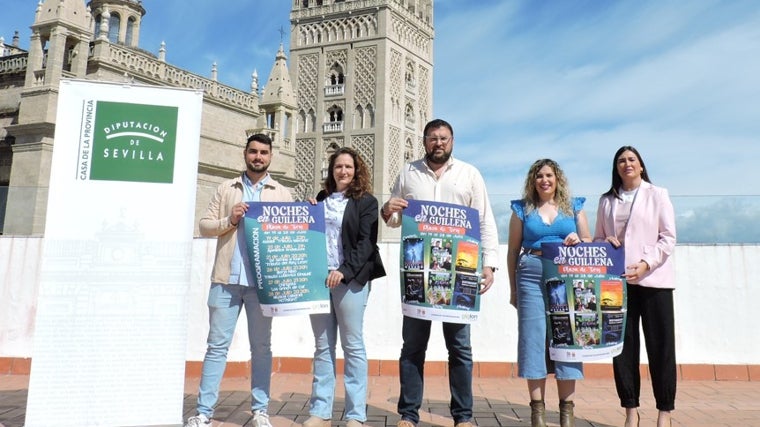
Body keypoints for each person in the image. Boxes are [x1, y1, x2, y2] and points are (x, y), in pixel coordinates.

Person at [381, 118, 499, 427]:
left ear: (452, 141)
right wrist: (387, 209)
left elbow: (484, 221)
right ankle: (408, 414)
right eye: (433, 138)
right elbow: (395, 219)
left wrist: (489, 263)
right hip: (418, 272)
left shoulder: (469, 174)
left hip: (459, 272)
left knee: (460, 348)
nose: (438, 143)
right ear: (424, 141)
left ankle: (463, 416)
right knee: (413, 347)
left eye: (444, 138)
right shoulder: (408, 172)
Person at [185, 133, 293, 427]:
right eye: (254, 152)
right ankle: (204, 412)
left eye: (264, 153)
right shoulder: (226, 189)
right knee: (217, 347)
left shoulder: (281, 193)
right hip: (225, 280)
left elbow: (294, 233)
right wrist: (229, 220)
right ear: (245, 153)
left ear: (271, 157)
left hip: (262, 285)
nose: (258, 157)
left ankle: (260, 411)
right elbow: (205, 225)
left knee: (261, 348)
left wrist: (307, 212)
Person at [303, 147, 386, 427]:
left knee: (352, 346)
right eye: (338, 166)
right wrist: (306, 211)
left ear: (356, 170)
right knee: (323, 347)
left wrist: (343, 271)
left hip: (350, 280)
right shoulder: (322, 199)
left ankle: (355, 414)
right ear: (332, 170)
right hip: (320, 278)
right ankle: (320, 411)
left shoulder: (367, 202)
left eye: (348, 167)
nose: (343, 171)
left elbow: (366, 243)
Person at [593, 146, 676, 427]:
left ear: (641, 165)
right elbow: (599, 238)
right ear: (616, 168)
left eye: (631, 159)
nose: (626, 164)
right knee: (624, 349)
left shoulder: (658, 194)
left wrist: (646, 263)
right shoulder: (606, 200)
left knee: (661, 347)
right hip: (617, 284)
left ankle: (664, 412)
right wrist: (605, 243)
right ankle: (630, 410)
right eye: (621, 161)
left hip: (654, 281)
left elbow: (668, 237)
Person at [506, 159, 591, 427]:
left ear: (558, 179)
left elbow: (589, 241)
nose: (544, 180)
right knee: (533, 339)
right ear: (533, 180)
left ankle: (566, 412)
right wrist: (513, 289)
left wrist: (579, 240)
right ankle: (537, 414)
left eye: (549, 175)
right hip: (530, 274)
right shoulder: (521, 209)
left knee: (567, 338)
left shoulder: (574, 207)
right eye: (539, 176)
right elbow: (512, 251)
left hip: (566, 276)